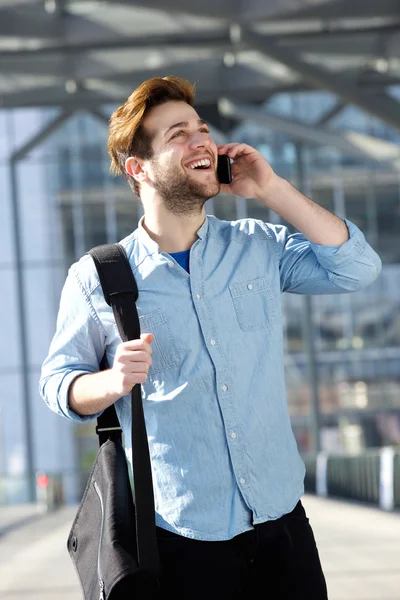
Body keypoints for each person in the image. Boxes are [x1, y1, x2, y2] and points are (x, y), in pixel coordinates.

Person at [40, 76, 382, 599]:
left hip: (281, 524)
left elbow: (357, 268)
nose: (202, 140)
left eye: (201, 129)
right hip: (181, 539)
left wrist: (269, 187)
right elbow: (58, 386)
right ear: (139, 168)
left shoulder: (257, 246)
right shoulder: (98, 277)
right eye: (178, 134)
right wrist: (111, 382)